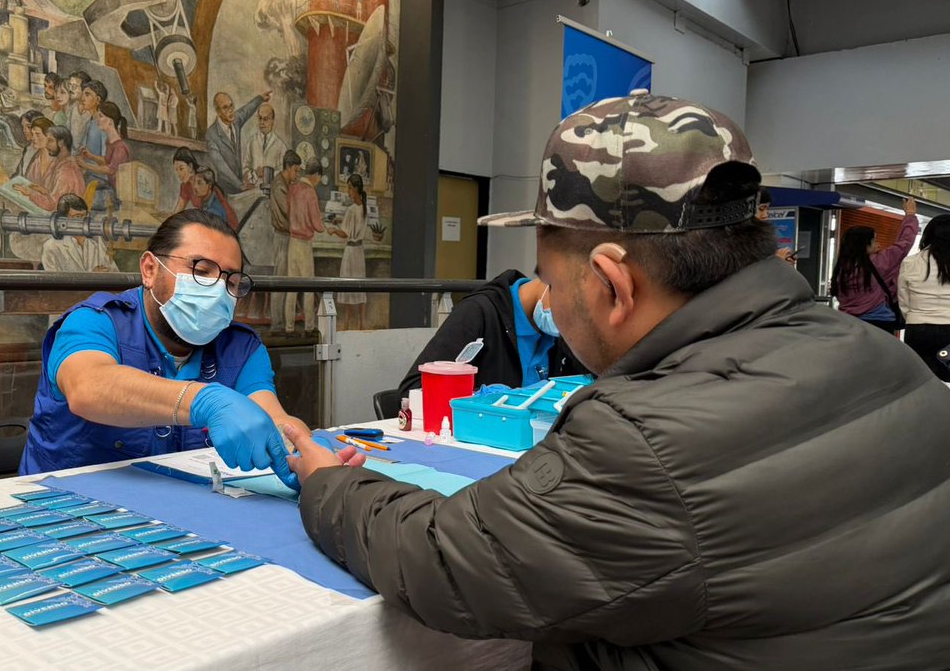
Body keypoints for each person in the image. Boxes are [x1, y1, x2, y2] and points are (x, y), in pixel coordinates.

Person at [284, 92, 950, 669]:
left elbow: (443, 559)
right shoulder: (892, 363)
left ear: (611, 282)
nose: (543, 291)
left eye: (548, 272)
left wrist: (328, 481)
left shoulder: (646, 439)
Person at [20, 208, 308, 488]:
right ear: (149, 269)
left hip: (178, 514)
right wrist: (202, 401)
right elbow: (88, 388)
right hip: (63, 509)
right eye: (201, 270)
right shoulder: (94, 322)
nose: (217, 290)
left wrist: (300, 449)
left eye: (230, 281)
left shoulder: (241, 348)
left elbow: (270, 415)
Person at [398, 268, 582, 394]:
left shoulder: (556, 335)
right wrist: (484, 400)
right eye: (570, 310)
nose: (570, 324)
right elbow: (413, 391)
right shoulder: (479, 313)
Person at [832, 197, 919, 335]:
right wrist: (910, 215)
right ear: (864, 245)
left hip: (848, 323)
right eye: (874, 241)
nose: (878, 245)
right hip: (879, 323)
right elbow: (904, 243)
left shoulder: (842, 268)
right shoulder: (878, 262)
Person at [898, 214, 950, 381]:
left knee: (920, 382)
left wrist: (914, 316)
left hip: (917, 330)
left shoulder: (911, 261)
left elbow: (903, 299)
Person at [284, 158, 325, 332]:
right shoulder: (310, 192)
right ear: (315, 175)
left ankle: (289, 328)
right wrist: (325, 225)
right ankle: (309, 327)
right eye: (319, 177)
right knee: (308, 287)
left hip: (292, 242)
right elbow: (317, 225)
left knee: (291, 288)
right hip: (304, 244)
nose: (318, 181)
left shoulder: (292, 189)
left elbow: (288, 212)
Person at [205, 90, 271, 194]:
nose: (231, 110)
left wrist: (260, 99)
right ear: (217, 111)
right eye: (225, 107)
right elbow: (221, 166)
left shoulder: (235, 120)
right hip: (224, 190)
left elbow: (246, 110)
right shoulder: (211, 134)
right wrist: (239, 185)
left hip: (240, 187)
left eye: (231, 106)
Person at [40, 194, 118, 273]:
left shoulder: (95, 244)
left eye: (86, 215)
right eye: (78, 216)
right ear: (63, 219)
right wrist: (91, 277)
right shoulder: (52, 247)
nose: (84, 221)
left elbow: (115, 272)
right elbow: (54, 282)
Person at [14, 124, 83, 212]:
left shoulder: (66, 170)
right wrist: (45, 191)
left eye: (50, 141)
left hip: (62, 218)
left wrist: (30, 193)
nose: (46, 145)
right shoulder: (63, 163)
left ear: (61, 143)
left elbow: (52, 205)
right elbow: (58, 195)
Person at [328, 173, 367, 329]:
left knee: (348, 287)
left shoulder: (351, 210)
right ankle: (362, 324)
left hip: (351, 252)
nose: (348, 191)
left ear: (356, 189)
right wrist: (341, 221)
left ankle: (346, 325)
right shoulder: (363, 207)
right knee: (361, 289)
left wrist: (333, 229)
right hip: (360, 252)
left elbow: (345, 233)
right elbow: (354, 225)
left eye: (350, 188)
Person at [268, 150, 301, 331]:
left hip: (288, 236)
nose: (297, 175)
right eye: (296, 170)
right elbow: (289, 211)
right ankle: (277, 324)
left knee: (287, 278)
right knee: (280, 280)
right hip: (282, 237)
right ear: (288, 168)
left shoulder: (286, 184)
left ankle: (282, 323)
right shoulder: (279, 185)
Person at [78, 101, 129, 210]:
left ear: (110, 121)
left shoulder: (120, 147)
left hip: (117, 194)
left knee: (86, 199)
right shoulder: (110, 142)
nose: (98, 119)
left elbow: (110, 170)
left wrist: (85, 165)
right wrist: (91, 156)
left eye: (101, 116)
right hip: (110, 187)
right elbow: (107, 160)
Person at [242, 103, 284, 187]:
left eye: (265, 119)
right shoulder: (251, 142)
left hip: (273, 189)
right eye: (260, 118)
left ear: (272, 120)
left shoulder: (280, 145)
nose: (262, 122)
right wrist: (254, 174)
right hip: (253, 188)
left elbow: (284, 171)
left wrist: (267, 173)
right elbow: (245, 168)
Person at [191, 167, 237, 231]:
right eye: (194, 182)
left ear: (209, 185)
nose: (195, 187)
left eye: (199, 183)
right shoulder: (203, 202)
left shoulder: (215, 210)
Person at [64, 70, 92, 154]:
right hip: (71, 154)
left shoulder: (91, 112)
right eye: (70, 85)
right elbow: (67, 131)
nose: (70, 89)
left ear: (84, 90)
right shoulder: (73, 107)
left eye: (75, 86)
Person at [14, 110, 44, 177]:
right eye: (23, 126)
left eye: (28, 127)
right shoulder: (27, 148)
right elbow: (19, 173)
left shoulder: (44, 151)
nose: (24, 130)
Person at [170, 147, 200, 214]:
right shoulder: (186, 185)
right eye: (176, 170)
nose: (179, 174)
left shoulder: (202, 180)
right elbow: (180, 207)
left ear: (190, 166)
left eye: (181, 169)